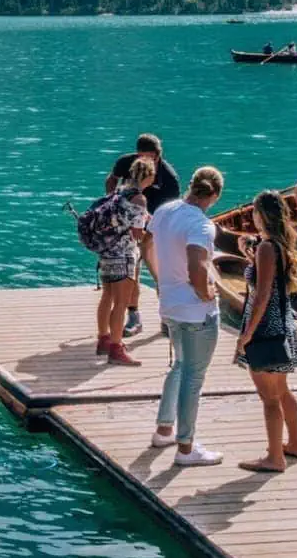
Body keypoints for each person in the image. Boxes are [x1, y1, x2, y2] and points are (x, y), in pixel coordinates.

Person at [149, 166, 226, 467]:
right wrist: (207, 294)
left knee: (180, 366)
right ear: (215, 195)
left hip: (169, 304)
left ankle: (164, 430)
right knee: (193, 377)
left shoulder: (165, 211)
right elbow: (197, 267)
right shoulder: (202, 225)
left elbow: (149, 245)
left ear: (192, 185)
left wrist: (160, 281)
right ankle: (186, 448)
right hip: (196, 311)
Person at [233, 190, 297, 472]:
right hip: (284, 323)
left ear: (261, 214)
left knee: (269, 398)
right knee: (283, 390)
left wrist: (247, 334)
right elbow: (271, 278)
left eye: (254, 210)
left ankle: (275, 458)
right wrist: (250, 253)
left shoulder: (267, 248)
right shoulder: (280, 244)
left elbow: (262, 293)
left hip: (266, 326)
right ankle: (296, 444)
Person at [105, 134, 181, 337]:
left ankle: (167, 318)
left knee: (162, 275)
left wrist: (148, 233)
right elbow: (111, 180)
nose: (144, 163)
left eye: (149, 159)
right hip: (129, 230)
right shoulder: (125, 163)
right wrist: (111, 201)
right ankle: (134, 317)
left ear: (158, 156)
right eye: (141, 158)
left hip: (155, 230)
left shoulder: (170, 179)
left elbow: (170, 214)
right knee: (132, 274)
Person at [92, 158, 155, 366]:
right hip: (124, 254)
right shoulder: (139, 200)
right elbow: (138, 234)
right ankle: (116, 349)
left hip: (107, 251)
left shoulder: (118, 192)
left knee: (107, 296)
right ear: (148, 176)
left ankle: (103, 339)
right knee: (121, 302)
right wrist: (152, 234)